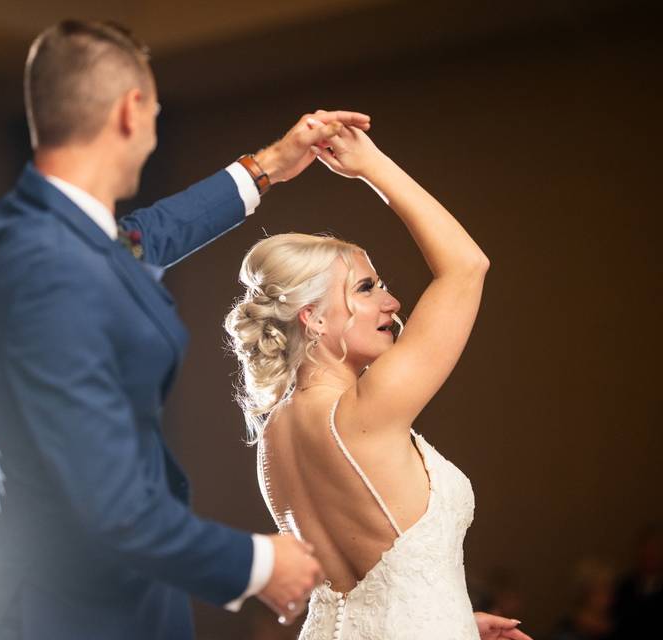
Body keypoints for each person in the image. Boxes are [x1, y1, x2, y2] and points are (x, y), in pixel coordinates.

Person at [0, 19, 372, 640]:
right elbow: (106, 499)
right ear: (132, 111)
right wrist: (257, 564)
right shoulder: (44, 260)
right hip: (67, 616)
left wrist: (268, 166)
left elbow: (147, 236)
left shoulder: (60, 234)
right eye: (155, 110)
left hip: (120, 603)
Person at [225, 122, 533, 639]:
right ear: (314, 318)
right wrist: (371, 166)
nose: (391, 302)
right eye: (367, 287)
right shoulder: (366, 408)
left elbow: (364, 592)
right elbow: (466, 266)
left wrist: (452, 622)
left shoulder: (272, 435)